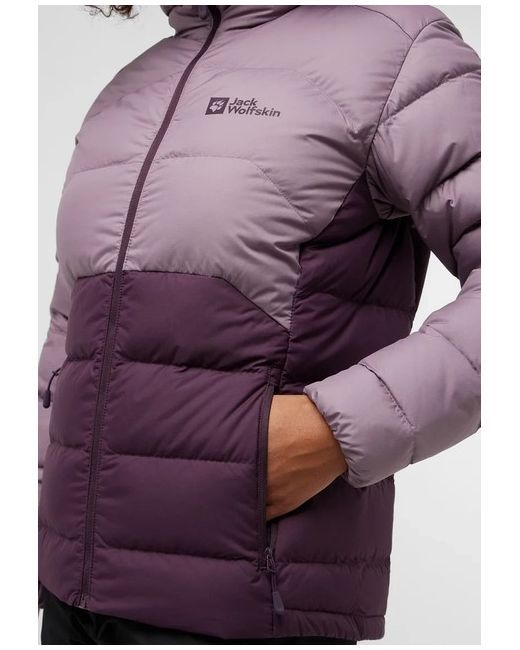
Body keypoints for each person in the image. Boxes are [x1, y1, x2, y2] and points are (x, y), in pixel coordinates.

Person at [38, 4, 481, 645]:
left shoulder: (400, 54)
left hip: (244, 603)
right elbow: (68, 336)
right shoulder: (128, 90)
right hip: (67, 601)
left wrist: (334, 429)